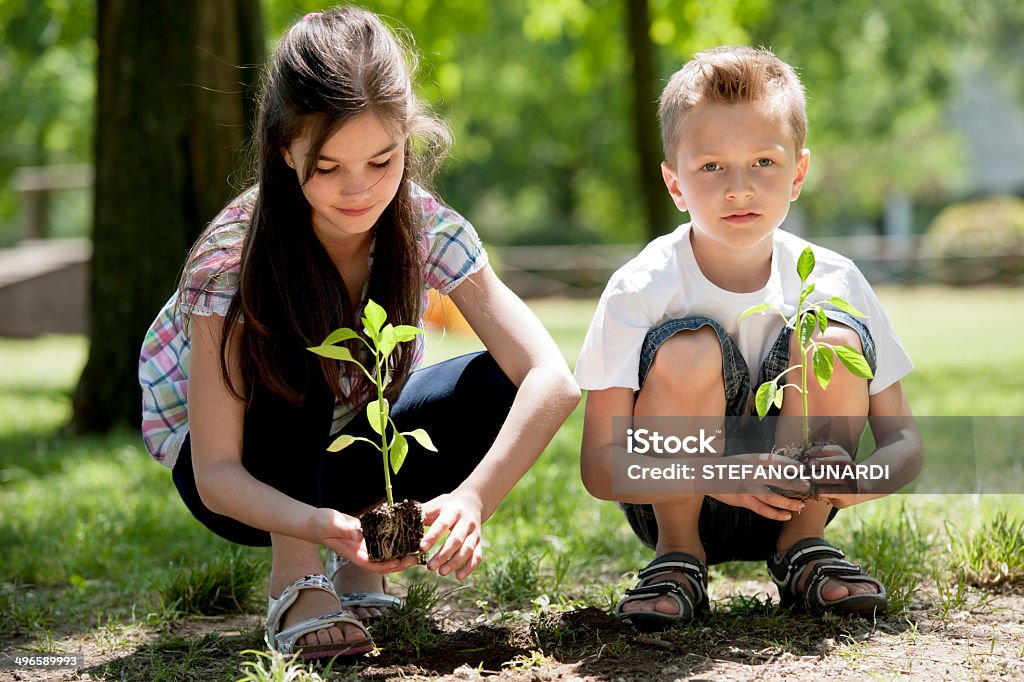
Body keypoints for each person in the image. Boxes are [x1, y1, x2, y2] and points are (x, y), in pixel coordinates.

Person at [138, 7, 579, 659]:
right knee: (302, 334)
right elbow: (217, 473)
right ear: (285, 150)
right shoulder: (232, 262)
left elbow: (553, 379)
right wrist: (311, 525)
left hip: (339, 441)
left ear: (407, 139)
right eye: (327, 166)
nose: (358, 190)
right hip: (241, 471)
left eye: (382, 160)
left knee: (496, 382)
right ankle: (298, 577)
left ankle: (368, 559)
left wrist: (470, 500)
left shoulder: (426, 226)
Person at [575, 46, 922, 629]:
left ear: (799, 173)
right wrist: (718, 473)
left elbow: (905, 443)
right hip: (673, 497)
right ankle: (678, 557)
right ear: (674, 183)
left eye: (764, 161)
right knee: (688, 350)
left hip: (795, 498)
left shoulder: (833, 277)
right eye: (710, 167)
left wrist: (858, 480)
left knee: (831, 341)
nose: (739, 188)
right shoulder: (641, 285)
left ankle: (802, 550)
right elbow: (598, 465)